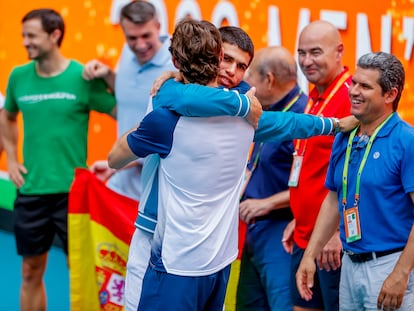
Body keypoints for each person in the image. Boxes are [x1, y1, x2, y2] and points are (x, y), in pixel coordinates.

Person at [0, 8, 116, 311]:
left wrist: (122, 162)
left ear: (54, 35)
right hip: (32, 192)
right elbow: (8, 117)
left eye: (32, 36)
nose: (25, 42)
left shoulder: (82, 77)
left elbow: (123, 111)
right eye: (23, 35)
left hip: (73, 195)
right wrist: (11, 158)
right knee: (30, 271)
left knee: (80, 273)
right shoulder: (18, 77)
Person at [296, 52, 414, 311]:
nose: (354, 92)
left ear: (390, 95)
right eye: (354, 83)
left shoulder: (407, 141)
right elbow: (333, 199)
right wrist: (309, 256)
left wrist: (400, 274)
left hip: (389, 265)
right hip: (349, 265)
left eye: (365, 86)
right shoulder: (346, 135)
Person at [281, 20, 352, 311]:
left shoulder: (352, 97)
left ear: (339, 51)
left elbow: (355, 174)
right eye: (301, 52)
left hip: (331, 244)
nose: (306, 61)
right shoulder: (314, 95)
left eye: (315, 52)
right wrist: (300, 215)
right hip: (304, 236)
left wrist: (338, 232)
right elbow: (314, 168)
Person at [236, 46, 307, 311]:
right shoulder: (263, 110)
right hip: (252, 231)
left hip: (281, 234)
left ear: (269, 80)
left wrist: (267, 203)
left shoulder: (303, 117)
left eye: (250, 75)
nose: (246, 82)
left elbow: (316, 185)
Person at [82, 0, 175, 201]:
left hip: (157, 193)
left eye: (146, 36)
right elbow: (130, 97)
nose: (140, 45)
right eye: (132, 37)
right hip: (119, 185)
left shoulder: (176, 62)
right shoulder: (126, 52)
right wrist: (107, 75)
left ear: (158, 27)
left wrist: (118, 163)